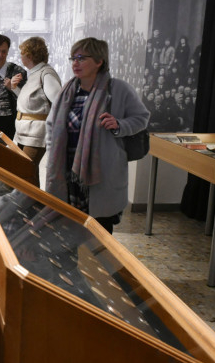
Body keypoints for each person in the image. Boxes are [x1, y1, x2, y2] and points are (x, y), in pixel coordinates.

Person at [44, 37, 150, 234]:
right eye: (73, 58)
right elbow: (51, 126)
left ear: (99, 61)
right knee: (69, 226)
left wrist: (120, 125)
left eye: (81, 58)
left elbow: (141, 117)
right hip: (67, 171)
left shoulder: (118, 89)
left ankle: (100, 255)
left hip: (101, 172)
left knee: (100, 228)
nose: (75, 63)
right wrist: (52, 155)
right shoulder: (67, 91)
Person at [11, 36, 62, 185]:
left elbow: (60, 103)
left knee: (25, 170)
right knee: (28, 173)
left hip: (36, 133)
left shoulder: (46, 74)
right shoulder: (35, 73)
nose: (20, 56)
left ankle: (31, 199)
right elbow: (30, 104)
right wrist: (14, 88)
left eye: (22, 53)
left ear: (30, 55)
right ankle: (32, 200)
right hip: (25, 132)